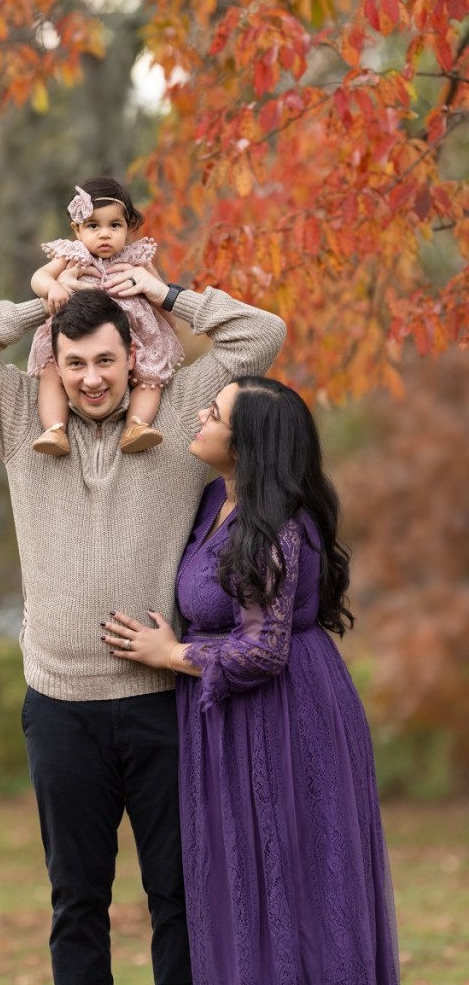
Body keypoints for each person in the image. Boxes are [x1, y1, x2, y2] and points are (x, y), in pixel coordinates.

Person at [0, 266, 286, 985]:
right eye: (75, 363)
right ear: (54, 367)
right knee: (77, 902)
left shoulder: (182, 413)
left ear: (133, 358)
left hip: (163, 703)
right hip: (60, 708)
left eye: (105, 360)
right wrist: (43, 304)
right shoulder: (22, 419)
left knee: (178, 898)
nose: (92, 378)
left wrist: (162, 294)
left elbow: (262, 333)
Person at [103, 377, 400, 985]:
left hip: (285, 716)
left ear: (246, 445)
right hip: (229, 720)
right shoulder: (217, 499)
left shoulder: (278, 524)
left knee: (297, 877)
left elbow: (264, 649)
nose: (200, 418)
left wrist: (170, 653)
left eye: (212, 414)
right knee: (242, 877)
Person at [28, 176, 184, 456]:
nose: (104, 234)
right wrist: (53, 288)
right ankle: (54, 428)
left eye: (114, 225)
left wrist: (169, 322)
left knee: (150, 375)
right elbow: (39, 277)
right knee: (52, 370)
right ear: (77, 230)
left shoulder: (136, 259)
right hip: (77, 332)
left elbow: (159, 292)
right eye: (93, 226)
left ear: (128, 227)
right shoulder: (72, 257)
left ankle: (137, 425)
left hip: (136, 335)